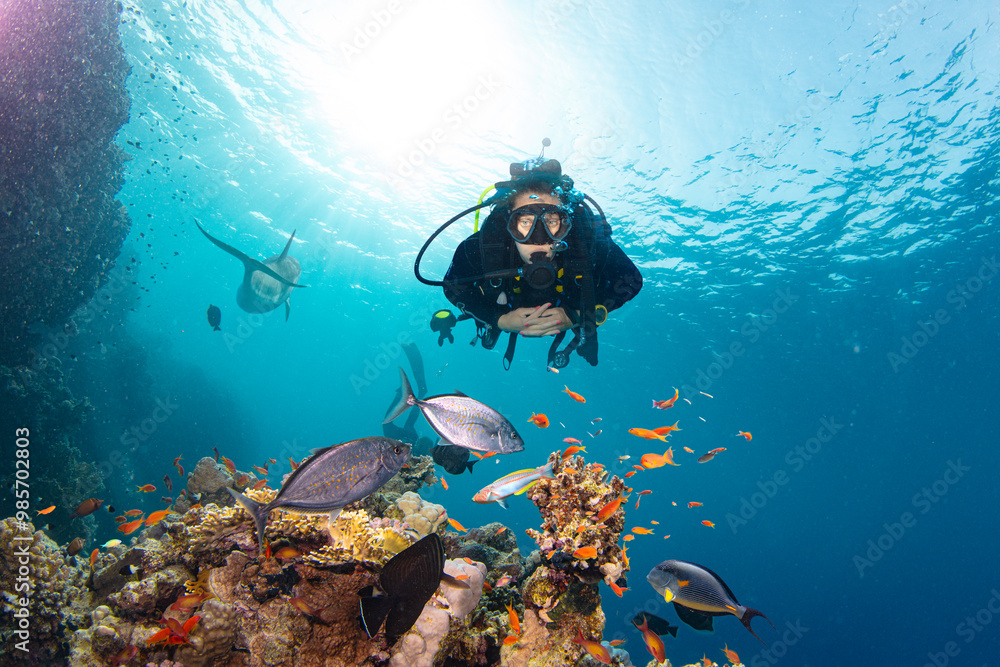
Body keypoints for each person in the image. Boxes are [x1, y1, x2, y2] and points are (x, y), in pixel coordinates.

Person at [433, 156, 642, 368]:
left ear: (567, 223)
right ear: (508, 222)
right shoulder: (482, 246)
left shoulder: (586, 242)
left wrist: (578, 316)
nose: (540, 237)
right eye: (525, 222)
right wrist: (498, 319)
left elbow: (631, 280)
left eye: (552, 221)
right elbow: (453, 286)